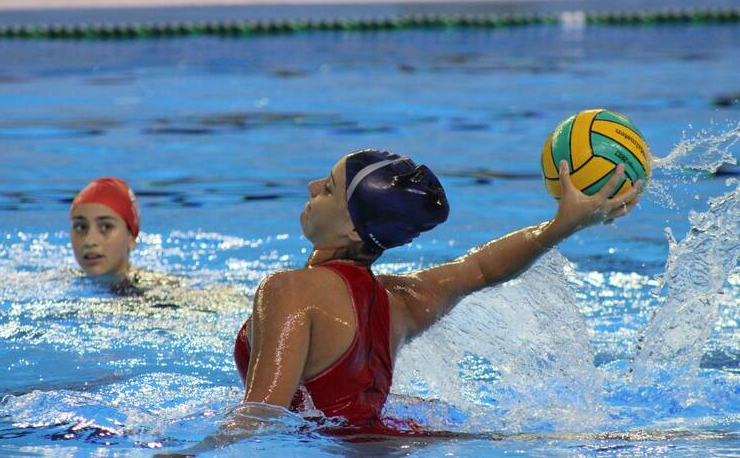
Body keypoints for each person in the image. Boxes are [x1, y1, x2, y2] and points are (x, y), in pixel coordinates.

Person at [163, 149, 641, 454]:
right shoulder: (401, 301)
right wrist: (566, 223)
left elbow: (262, 415)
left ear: (352, 227)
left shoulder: (287, 290)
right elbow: (480, 270)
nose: (312, 189)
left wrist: (187, 452)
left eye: (328, 188)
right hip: (384, 444)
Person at [70, 177, 143, 292]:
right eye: (81, 227)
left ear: (131, 238)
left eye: (106, 227)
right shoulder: (55, 283)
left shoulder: (161, 291)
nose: (89, 241)